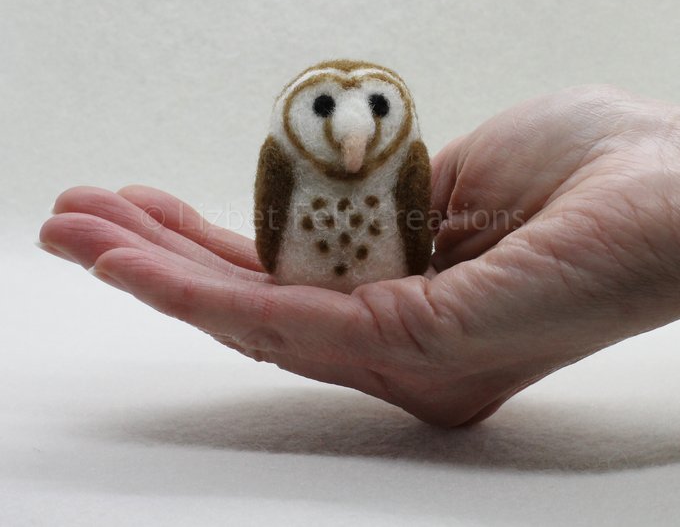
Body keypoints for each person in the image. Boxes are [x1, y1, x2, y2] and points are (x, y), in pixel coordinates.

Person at [38, 85, 680, 427]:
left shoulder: (407, 161)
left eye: (377, 108)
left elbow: (410, 224)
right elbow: (273, 221)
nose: (355, 134)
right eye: (322, 108)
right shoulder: (283, 159)